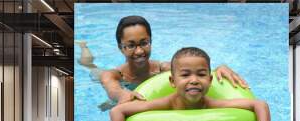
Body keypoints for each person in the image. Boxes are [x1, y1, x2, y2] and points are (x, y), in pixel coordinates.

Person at [110, 47, 273, 121]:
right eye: (186, 75)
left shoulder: (212, 104)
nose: (194, 80)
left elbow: (260, 104)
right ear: (172, 82)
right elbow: (117, 111)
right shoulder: (166, 103)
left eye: (201, 75)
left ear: (210, 81)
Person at [78, 15, 249, 108]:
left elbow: (191, 68)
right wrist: (123, 94)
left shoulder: (162, 69)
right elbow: (113, 89)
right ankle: (84, 50)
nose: (139, 51)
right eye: (131, 46)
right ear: (120, 48)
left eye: (144, 43)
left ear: (150, 41)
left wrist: (219, 67)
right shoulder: (113, 75)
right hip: (124, 85)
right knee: (93, 70)